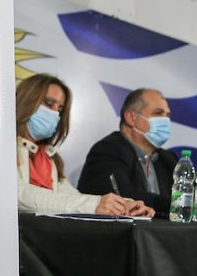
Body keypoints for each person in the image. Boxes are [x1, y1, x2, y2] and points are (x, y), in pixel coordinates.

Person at [78, 88, 197, 215]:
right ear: (131, 117)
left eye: (167, 115)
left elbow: (190, 195)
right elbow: (125, 197)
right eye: (158, 113)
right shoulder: (108, 150)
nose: (166, 120)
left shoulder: (167, 158)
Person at [16, 74, 152, 216]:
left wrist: (123, 205)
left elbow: (71, 198)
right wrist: (93, 205)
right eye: (49, 103)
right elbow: (19, 194)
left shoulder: (49, 157)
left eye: (60, 109)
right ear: (26, 101)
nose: (55, 114)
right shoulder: (4, 149)